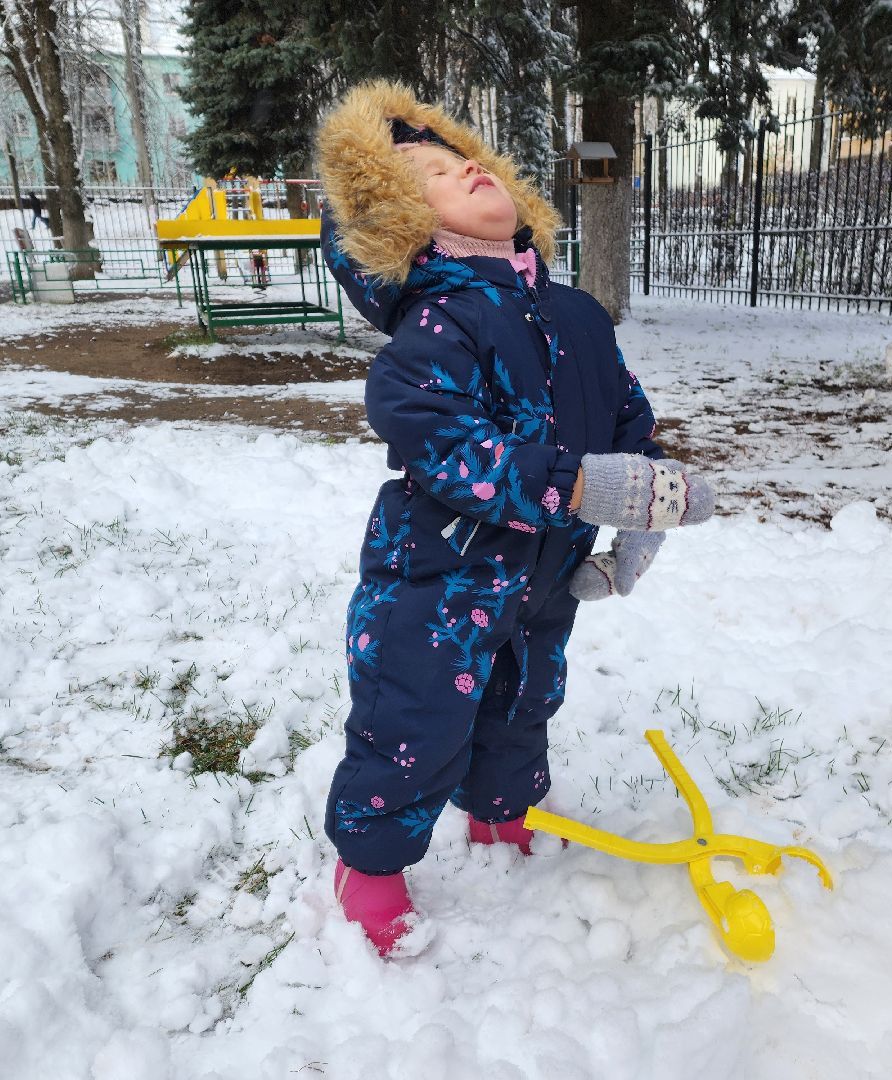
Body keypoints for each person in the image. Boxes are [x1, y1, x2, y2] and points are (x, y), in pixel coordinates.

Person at [316, 80, 716, 956]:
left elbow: (624, 418)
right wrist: (585, 491)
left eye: (465, 155)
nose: (464, 166)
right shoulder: (435, 329)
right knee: (415, 717)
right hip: (441, 576)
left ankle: (499, 810)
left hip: (545, 571)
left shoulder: (575, 312)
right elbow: (453, 452)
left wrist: (641, 504)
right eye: (424, 170)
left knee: (524, 698)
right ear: (391, 219)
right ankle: (371, 864)